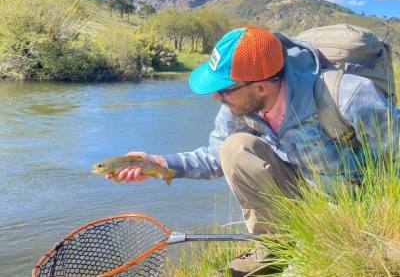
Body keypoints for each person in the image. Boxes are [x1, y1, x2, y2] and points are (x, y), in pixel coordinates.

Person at [107, 26, 399, 276]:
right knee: (235, 148)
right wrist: (157, 163)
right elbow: (214, 157)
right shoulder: (238, 107)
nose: (215, 97)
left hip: (359, 206)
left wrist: (380, 233)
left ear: (260, 87)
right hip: (307, 193)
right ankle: (275, 247)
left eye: (223, 89)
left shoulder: (350, 96)